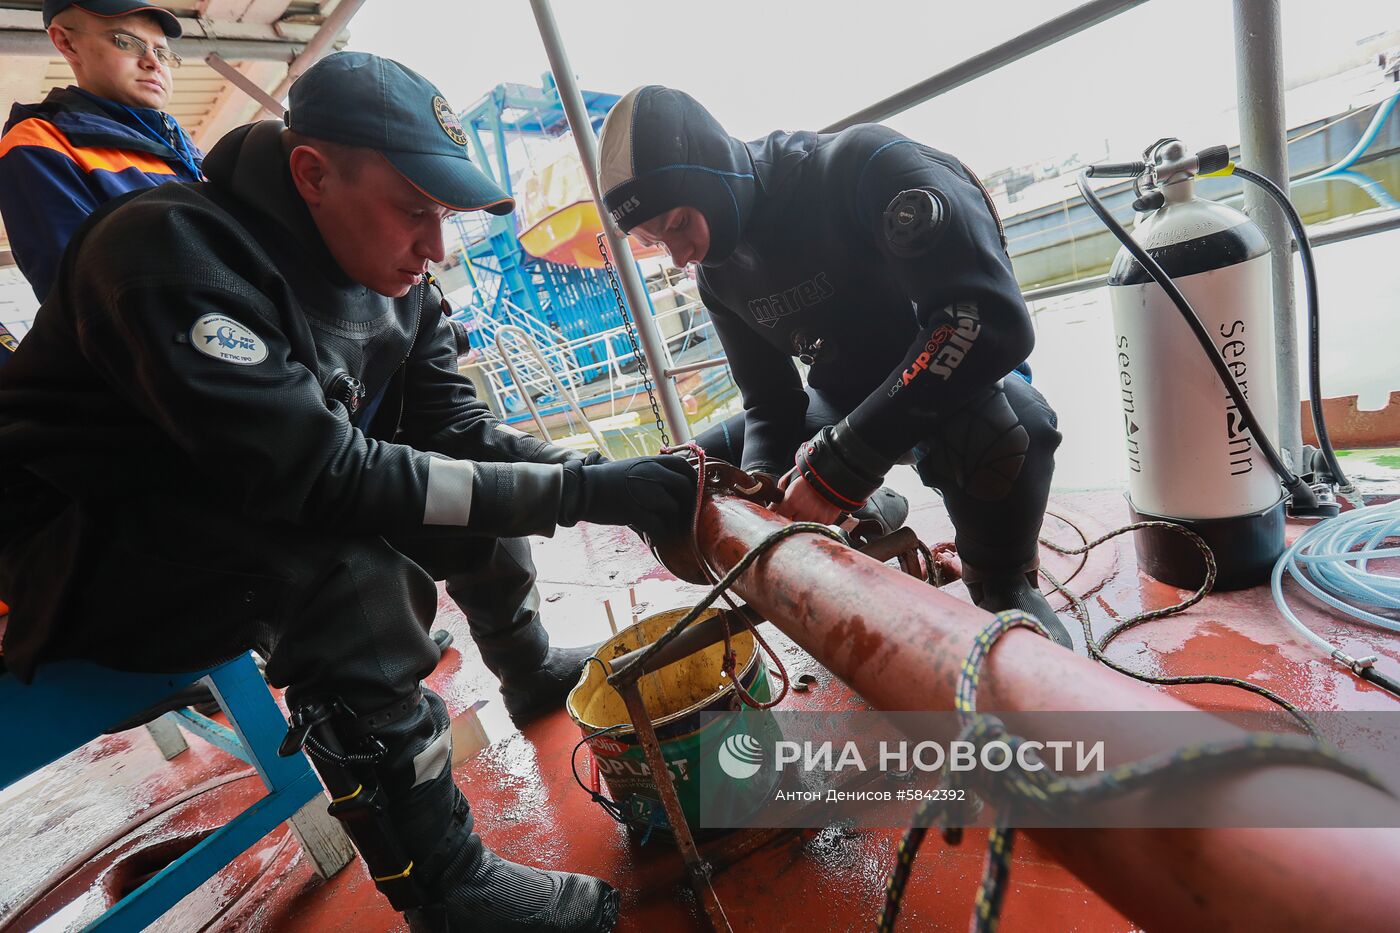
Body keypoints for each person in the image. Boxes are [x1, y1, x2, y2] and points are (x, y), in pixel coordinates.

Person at [0, 53, 703, 931]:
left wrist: (603, 478)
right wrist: (589, 491)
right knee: (345, 566)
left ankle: (525, 667)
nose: (435, 247)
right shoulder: (165, 252)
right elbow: (317, 477)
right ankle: (450, 889)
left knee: (473, 489)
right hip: (68, 554)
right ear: (312, 174)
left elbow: (460, 439)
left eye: (442, 216)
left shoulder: (397, 280)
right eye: (414, 210)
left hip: (212, 502)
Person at [597, 85, 1071, 647]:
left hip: (951, 387)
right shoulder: (719, 277)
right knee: (693, 475)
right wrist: (765, 494)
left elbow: (987, 321)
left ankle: (1002, 583)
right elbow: (769, 404)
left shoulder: (859, 166)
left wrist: (842, 464)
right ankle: (870, 511)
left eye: (677, 223)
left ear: (714, 176)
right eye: (653, 241)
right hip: (842, 403)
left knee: (1004, 431)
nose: (679, 255)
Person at [0, 0, 204, 304]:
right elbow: (90, 295)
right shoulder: (42, 143)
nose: (153, 62)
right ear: (66, 42)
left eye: (161, 52)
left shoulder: (184, 149)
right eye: (126, 42)